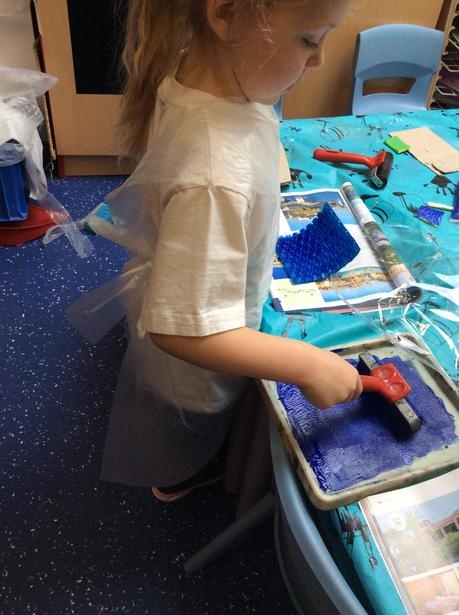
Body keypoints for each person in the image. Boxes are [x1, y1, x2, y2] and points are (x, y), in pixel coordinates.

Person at [76, 0, 361, 501]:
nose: (319, 60)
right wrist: (309, 365)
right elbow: (183, 331)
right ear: (225, 15)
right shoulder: (214, 177)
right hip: (199, 349)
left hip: (192, 287)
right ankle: (182, 474)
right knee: (199, 421)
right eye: (310, 40)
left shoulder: (198, 74)